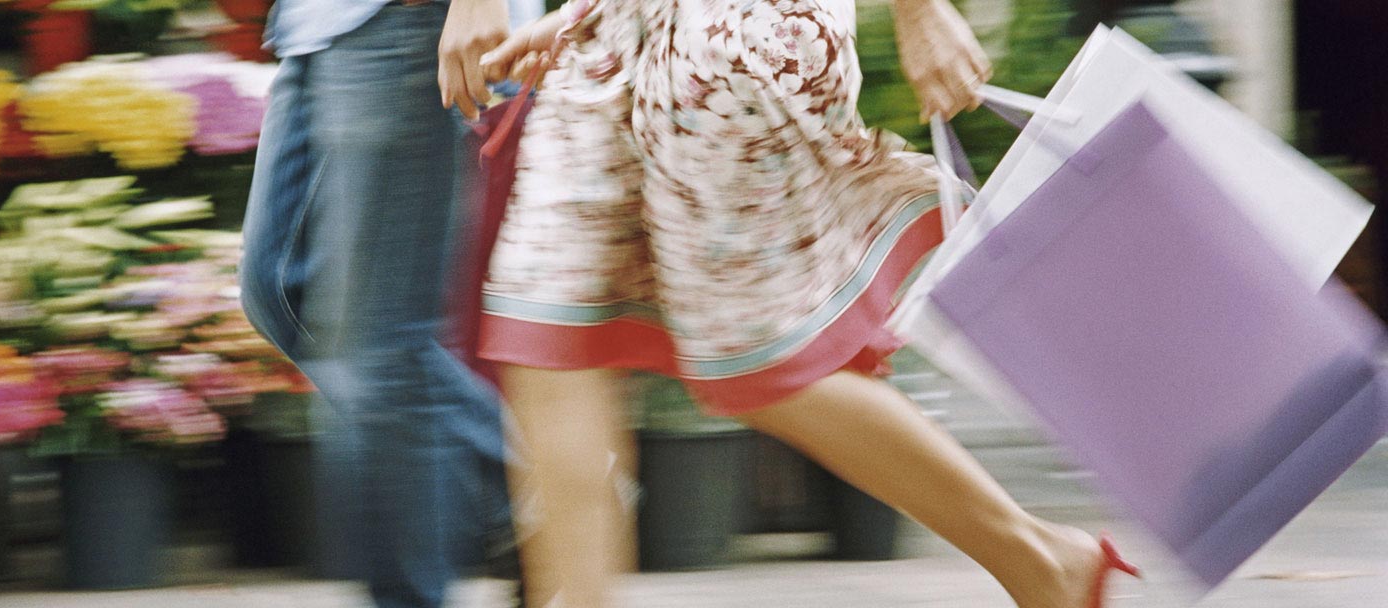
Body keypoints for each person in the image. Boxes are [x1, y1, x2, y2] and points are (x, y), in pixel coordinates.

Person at [464, 0, 1141, 606]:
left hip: (738, 38)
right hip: (623, 31)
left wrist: (919, 9)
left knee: (754, 361)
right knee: (546, 318)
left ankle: (1040, 559)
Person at [238, 0, 537, 605]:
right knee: (277, 292)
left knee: (379, 353)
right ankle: (548, 492)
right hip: (320, 24)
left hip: (408, 19)